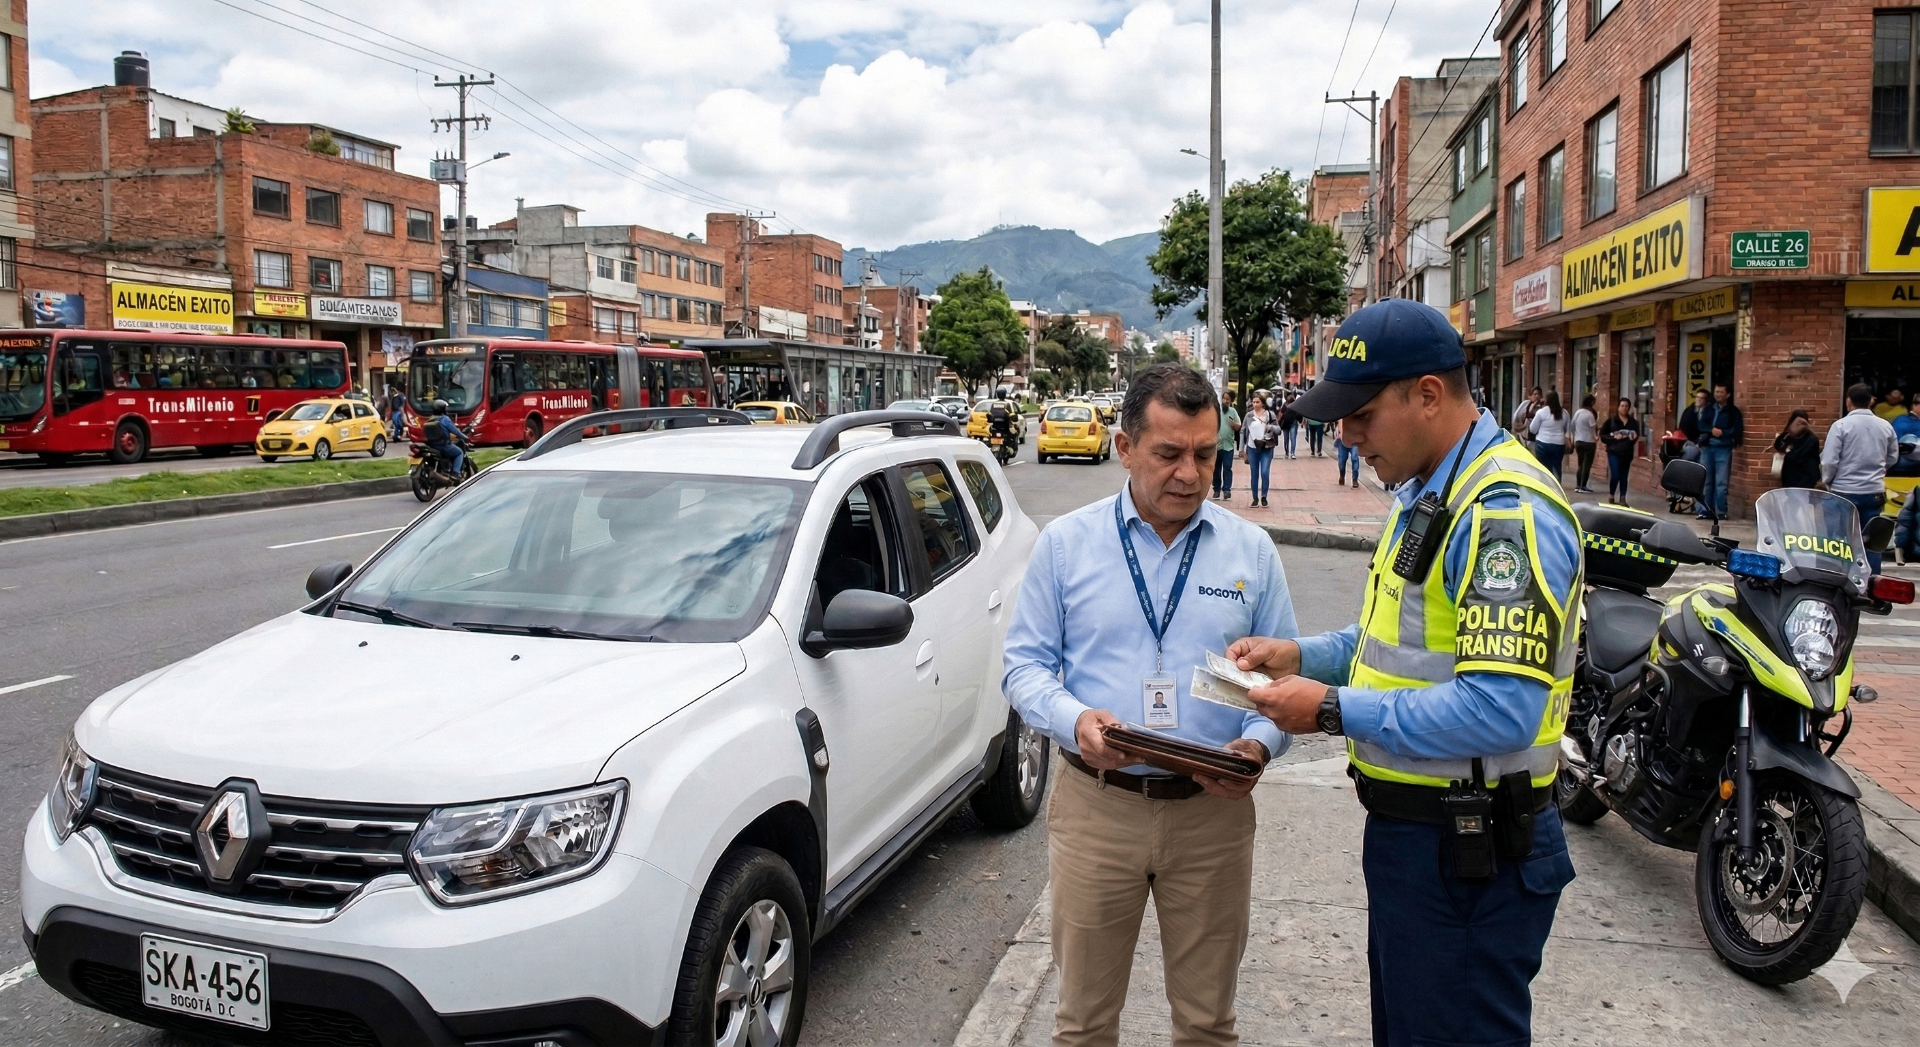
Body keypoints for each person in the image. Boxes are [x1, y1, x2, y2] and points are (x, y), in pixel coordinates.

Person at [1226, 298, 1578, 1047]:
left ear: (1427, 394)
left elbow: (1502, 707)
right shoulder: (1430, 489)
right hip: (1423, 840)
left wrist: (1328, 708)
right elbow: (1398, 643)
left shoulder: (1501, 513)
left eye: (1360, 413)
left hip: (1470, 851)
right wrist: (1301, 655)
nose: (1345, 434)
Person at [1002, 363, 1296, 1047]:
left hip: (1211, 818)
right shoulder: (1067, 545)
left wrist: (1256, 745)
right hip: (1097, 808)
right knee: (1082, 1023)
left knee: (1206, 1024)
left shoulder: (1250, 551)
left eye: (1204, 453)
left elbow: (1270, 688)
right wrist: (1074, 719)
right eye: (1168, 453)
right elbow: (1024, 665)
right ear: (1125, 447)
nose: (1189, 473)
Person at [1822, 383, 1899, 573]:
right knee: (1871, 543)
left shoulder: (1841, 426)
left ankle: (1840, 580)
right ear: (1871, 401)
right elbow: (1892, 457)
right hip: (1873, 491)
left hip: (1843, 491)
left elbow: (1829, 461)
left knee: (1837, 542)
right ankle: (1872, 585)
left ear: (1849, 401)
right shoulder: (1885, 426)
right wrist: (1877, 473)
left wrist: (1827, 480)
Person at [1697, 383, 1744, 520]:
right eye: (1716, 392)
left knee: (1721, 482)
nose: (1717, 394)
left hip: (1723, 448)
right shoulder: (1709, 408)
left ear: (1728, 394)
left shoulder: (1733, 411)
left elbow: (1737, 430)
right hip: (1707, 447)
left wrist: (1722, 433)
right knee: (1706, 480)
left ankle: (1721, 511)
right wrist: (1711, 430)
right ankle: (1704, 510)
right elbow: (1701, 425)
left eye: (1720, 392)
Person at [1599, 399, 1640, 504]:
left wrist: (1633, 438)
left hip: (1627, 452)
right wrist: (1613, 439)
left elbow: (1636, 435)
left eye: (1626, 406)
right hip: (1614, 451)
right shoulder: (1612, 421)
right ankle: (1611, 494)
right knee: (1616, 474)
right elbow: (1603, 435)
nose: (1624, 408)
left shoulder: (1633, 423)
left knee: (1624, 476)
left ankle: (1622, 498)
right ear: (1618, 407)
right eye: (1622, 406)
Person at [1773, 409, 1822, 490]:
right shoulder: (1789, 436)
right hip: (1789, 481)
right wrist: (1790, 431)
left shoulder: (1811, 439)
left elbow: (1796, 456)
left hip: (1805, 482)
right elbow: (1778, 445)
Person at [1528, 390, 1570, 481]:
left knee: (1543, 468)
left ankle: (1545, 487)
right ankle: (1557, 486)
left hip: (1543, 443)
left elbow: (1532, 429)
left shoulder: (1541, 412)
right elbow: (1566, 429)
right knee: (1556, 466)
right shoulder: (1564, 413)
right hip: (1559, 444)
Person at [1244, 394, 1276, 508]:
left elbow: (1278, 430)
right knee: (1254, 474)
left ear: (1262, 403)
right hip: (1252, 448)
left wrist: (1270, 427)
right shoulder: (1249, 415)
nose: (1255, 404)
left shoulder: (1269, 414)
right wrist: (1242, 449)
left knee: (1265, 472)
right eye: (1253, 402)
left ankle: (1264, 496)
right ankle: (1255, 497)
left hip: (1266, 448)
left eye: (1257, 402)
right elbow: (1243, 431)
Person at [424, 399, 469, 479]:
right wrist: (465, 437)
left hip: (433, 446)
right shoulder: (445, 419)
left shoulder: (430, 419)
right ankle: (455, 473)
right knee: (459, 453)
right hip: (444, 446)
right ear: (442, 409)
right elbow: (455, 431)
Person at [1213, 390, 1241, 501]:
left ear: (1231, 401)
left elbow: (1238, 426)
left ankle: (1226, 490)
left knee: (1227, 468)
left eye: (1227, 399)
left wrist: (1233, 424)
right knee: (1216, 468)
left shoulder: (1233, 412)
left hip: (1228, 446)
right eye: (1224, 398)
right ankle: (1216, 490)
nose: (1225, 401)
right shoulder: (1216, 410)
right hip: (1216, 446)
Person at [1571, 395, 1599, 494]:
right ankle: (1583, 485)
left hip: (1578, 441)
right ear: (1591, 403)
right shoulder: (1590, 414)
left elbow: (1572, 426)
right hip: (1589, 442)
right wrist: (1596, 437)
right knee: (1586, 465)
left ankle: (1578, 485)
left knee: (1580, 464)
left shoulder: (1577, 412)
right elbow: (1593, 427)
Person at [1677, 389, 1710, 455]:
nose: (1698, 399)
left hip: (1705, 444)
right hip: (1690, 442)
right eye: (1697, 397)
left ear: (1706, 400)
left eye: (1701, 398)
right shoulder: (1689, 410)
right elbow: (1683, 425)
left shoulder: (1710, 411)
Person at [1334, 419, 1360, 488]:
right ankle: (1342, 476)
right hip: (1343, 441)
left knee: (1355, 458)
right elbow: (1340, 423)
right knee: (1342, 460)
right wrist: (1342, 435)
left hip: (1354, 440)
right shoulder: (1343, 415)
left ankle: (1355, 479)